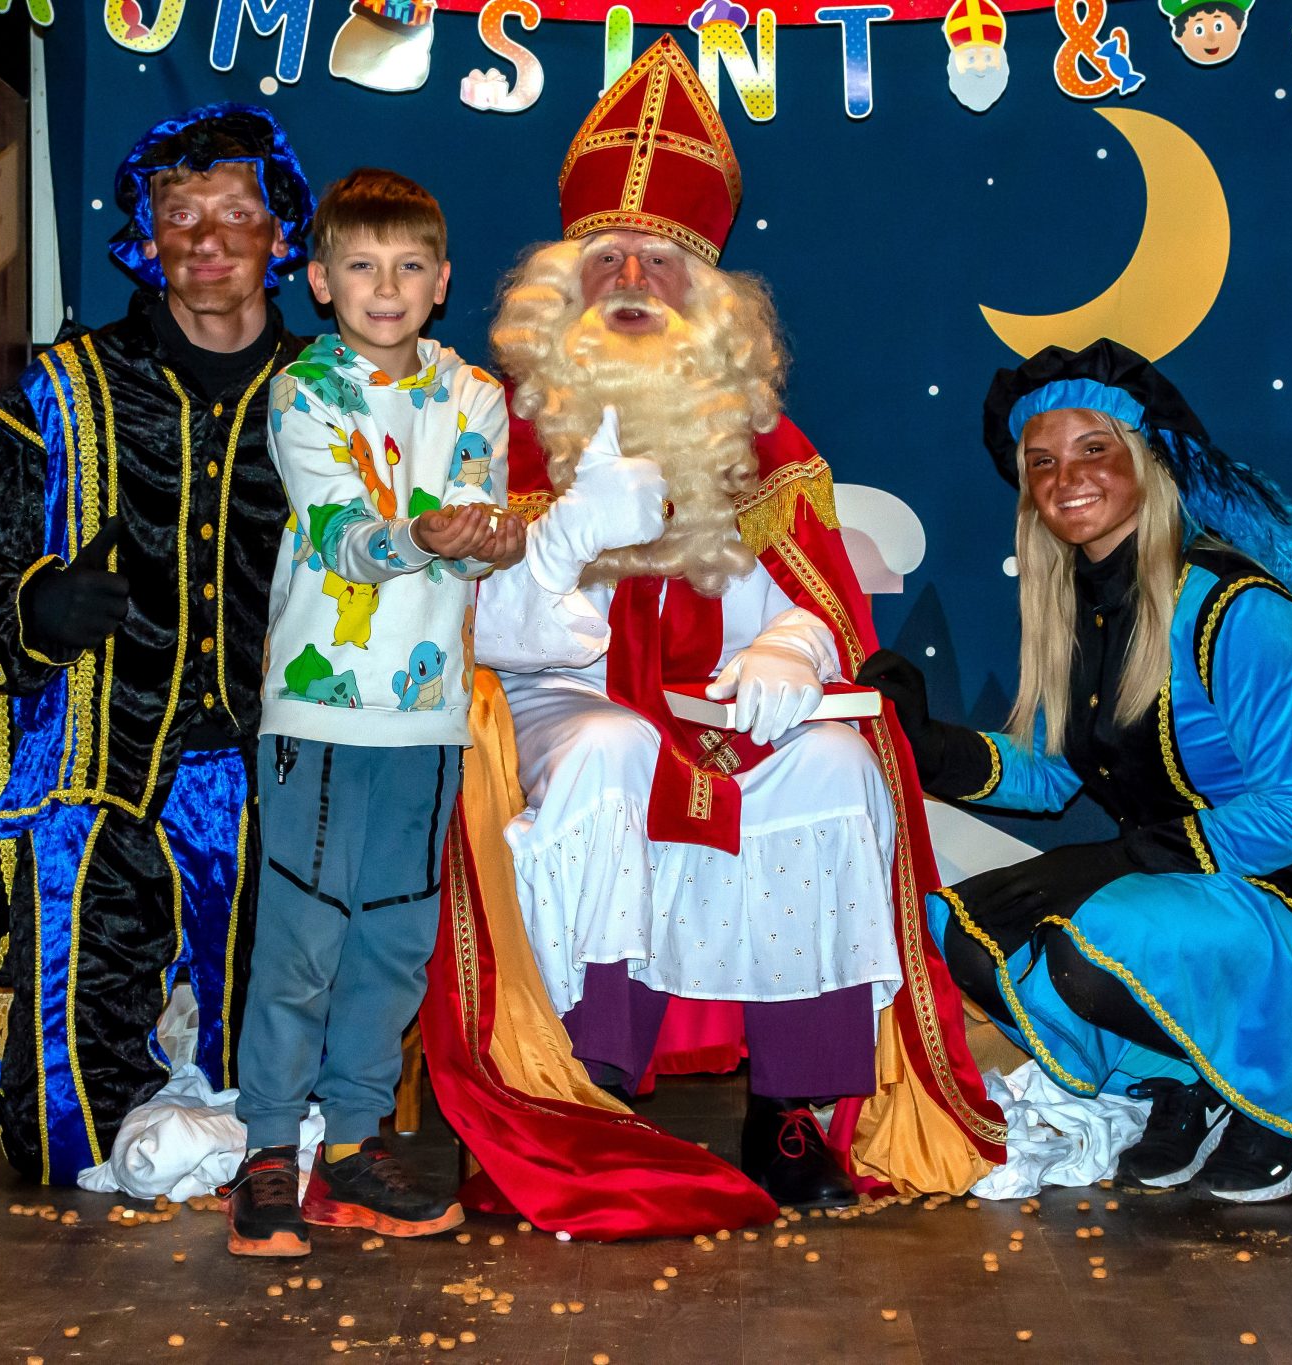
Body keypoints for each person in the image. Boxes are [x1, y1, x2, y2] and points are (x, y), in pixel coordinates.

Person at [415, 37, 1004, 1239]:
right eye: (607, 257)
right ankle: (584, 1082)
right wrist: (571, 540)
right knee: (613, 753)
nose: (632, 277)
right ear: (563, 285)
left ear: (708, 298)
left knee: (833, 765)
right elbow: (476, 621)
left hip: (707, 707)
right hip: (550, 703)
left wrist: (788, 653)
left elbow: (814, 599)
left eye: (662, 261)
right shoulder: (493, 424)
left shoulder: (760, 442)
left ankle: (788, 1108)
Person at [862, 339, 1292, 1204]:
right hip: (1193, 892)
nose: (1066, 478)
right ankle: (1189, 1078)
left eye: (1093, 448)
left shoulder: (1240, 609)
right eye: (1041, 461)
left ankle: (1278, 1094)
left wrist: (1114, 859)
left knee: (1086, 944)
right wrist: (923, 742)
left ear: (1146, 458)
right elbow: (1049, 775)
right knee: (965, 933)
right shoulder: (1077, 607)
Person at [0, 105, 314, 1185]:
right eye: (179, 215)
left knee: (276, 1099)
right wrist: (36, 611)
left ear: (282, 235)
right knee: (63, 1137)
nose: (207, 239)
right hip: (98, 781)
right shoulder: (64, 390)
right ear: (145, 238)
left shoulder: (330, 394)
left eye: (236, 213)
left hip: (277, 780)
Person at [221, 169, 520, 1257]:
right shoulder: (303, 391)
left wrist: (494, 538)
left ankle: (350, 1146)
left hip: (429, 721)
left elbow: (482, 522)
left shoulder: (472, 392)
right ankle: (266, 1148)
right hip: (319, 716)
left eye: (407, 268)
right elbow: (345, 535)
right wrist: (428, 536)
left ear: (440, 282)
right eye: (360, 266)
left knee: (393, 941)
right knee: (301, 939)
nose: (384, 288)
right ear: (318, 281)